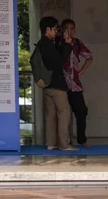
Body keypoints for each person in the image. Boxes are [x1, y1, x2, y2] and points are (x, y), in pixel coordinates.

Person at [31, 17, 76, 151]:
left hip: (47, 84)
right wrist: (68, 46)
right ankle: (64, 144)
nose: (57, 32)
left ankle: (50, 143)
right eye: (55, 29)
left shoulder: (42, 44)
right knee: (64, 113)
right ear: (48, 29)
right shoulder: (47, 44)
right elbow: (58, 62)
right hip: (57, 84)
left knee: (50, 115)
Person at [60, 19, 94, 147]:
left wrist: (81, 71)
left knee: (81, 111)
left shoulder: (77, 43)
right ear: (62, 30)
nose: (70, 31)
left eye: (72, 29)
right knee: (63, 114)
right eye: (67, 28)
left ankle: (82, 139)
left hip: (75, 83)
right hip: (61, 82)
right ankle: (64, 141)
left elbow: (89, 57)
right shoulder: (58, 42)